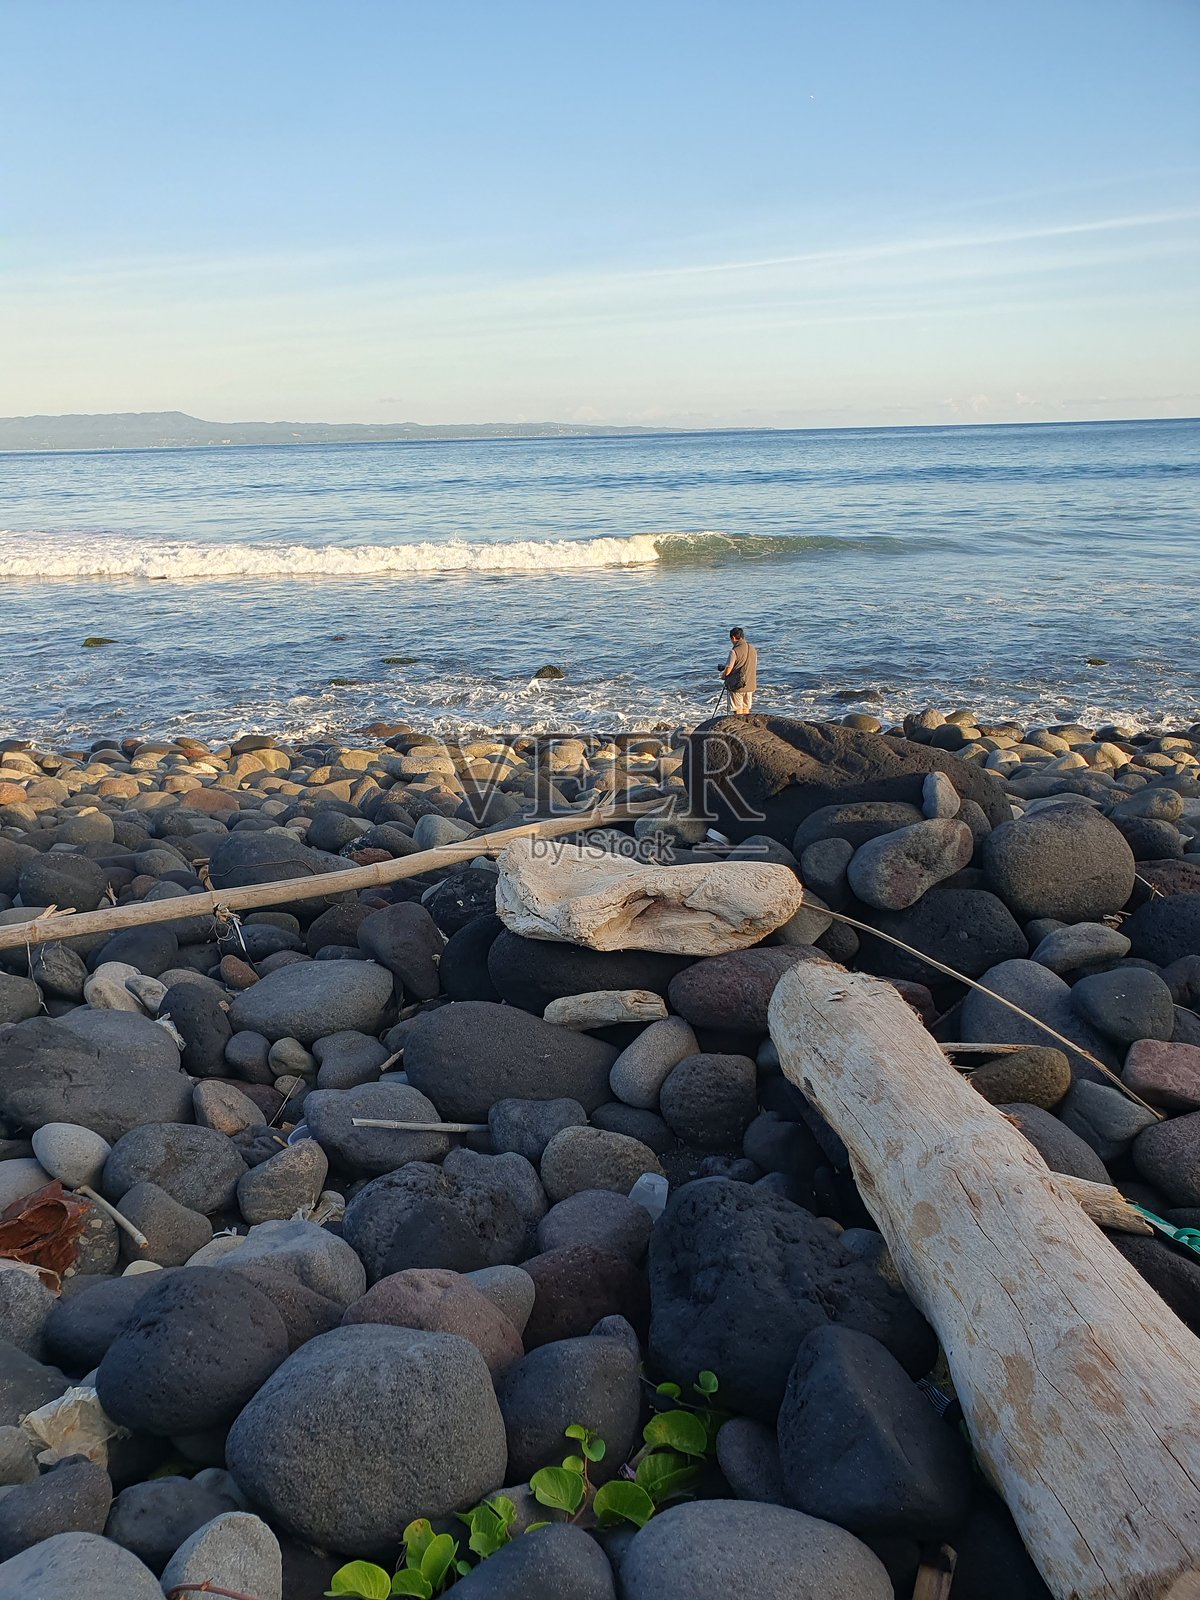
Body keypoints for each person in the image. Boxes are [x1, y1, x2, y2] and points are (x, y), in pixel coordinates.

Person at [719, 625, 757, 714]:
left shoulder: (734, 651)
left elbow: (728, 669)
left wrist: (723, 676)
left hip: (738, 685)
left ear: (733, 637)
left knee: (737, 709)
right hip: (750, 684)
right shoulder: (752, 648)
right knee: (746, 709)